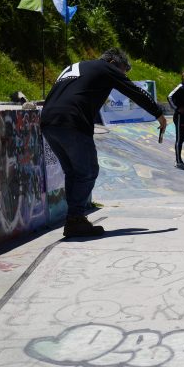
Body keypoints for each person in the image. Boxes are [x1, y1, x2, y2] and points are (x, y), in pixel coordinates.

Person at [41, 48, 166, 237]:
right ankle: (75, 219)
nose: (121, 76)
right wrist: (158, 113)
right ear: (114, 64)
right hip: (72, 121)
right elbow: (134, 91)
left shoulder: (78, 67)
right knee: (88, 170)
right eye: (122, 72)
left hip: (48, 122)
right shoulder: (105, 68)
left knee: (74, 172)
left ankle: (75, 219)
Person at [168, 71, 184, 170]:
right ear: (182, 78)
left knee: (182, 139)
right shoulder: (180, 87)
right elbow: (169, 97)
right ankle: (178, 161)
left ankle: (179, 159)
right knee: (179, 139)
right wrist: (177, 108)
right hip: (179, 117)